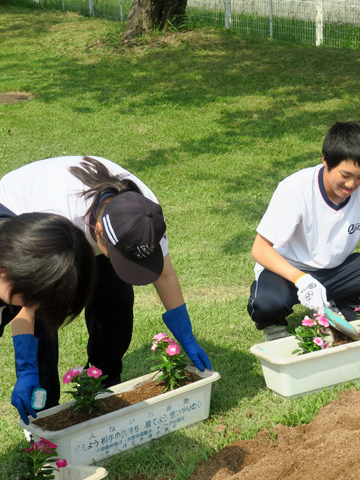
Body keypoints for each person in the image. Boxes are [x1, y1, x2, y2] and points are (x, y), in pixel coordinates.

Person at [0, 156, 212, 411]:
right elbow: (27, 300)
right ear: (99, 231)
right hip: (25, 218)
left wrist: (185, 334)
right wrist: (27, 368)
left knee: (116, 302)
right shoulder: (59, 218)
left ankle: (102, 383)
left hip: (91, 226)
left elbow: (165, 274)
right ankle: (43, 404)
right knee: (45, 315)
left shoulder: (145, 214)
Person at [247, 121, 360, 342]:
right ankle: (274, 327)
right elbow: (259, 249)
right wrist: (302, 279)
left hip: (336, 270)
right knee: (267, 304)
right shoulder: (294, 188)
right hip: (288, 271)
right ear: (325, 159)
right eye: (345, 175)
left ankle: (342, 311)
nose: (352, 184)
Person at [0, 207, 96, 424]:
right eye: (36, 297)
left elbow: (25, 308)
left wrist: (27, 368)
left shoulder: (20, 241)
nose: (35, 307)